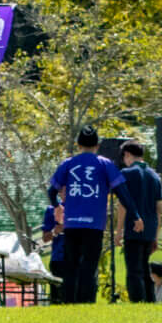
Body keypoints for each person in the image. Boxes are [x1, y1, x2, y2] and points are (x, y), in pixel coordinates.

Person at [47, 127, 121, 305]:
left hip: (72, 223)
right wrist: (135, 214)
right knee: (89, 266)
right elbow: (122, 192)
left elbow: (52, 190)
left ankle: (69, 302)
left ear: (78, 144)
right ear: (98, 145)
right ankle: (86, 302)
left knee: (71, 265)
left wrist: (57, 206)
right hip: (94, 224)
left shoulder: (68, 163)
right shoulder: (105, 164)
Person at [115, 140, 162, 303]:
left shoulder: (126, 173)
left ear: (128, 155)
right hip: (150, 229)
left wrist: (119, 231)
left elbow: (122, 204)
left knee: (133, 269)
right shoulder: (155, 176)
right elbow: (159, 209)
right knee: (145, 268)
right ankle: (150, 301)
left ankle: (137, 302)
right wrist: (156, 236)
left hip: (133, 227)